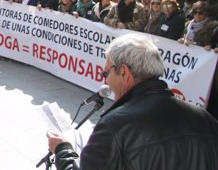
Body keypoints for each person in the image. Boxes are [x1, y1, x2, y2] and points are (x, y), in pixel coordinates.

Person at [46, 34, 218, 170]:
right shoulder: (206, 119)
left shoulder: (114, 125)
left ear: (125, 73)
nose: (105, 81)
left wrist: (63, 151)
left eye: (106, 73)